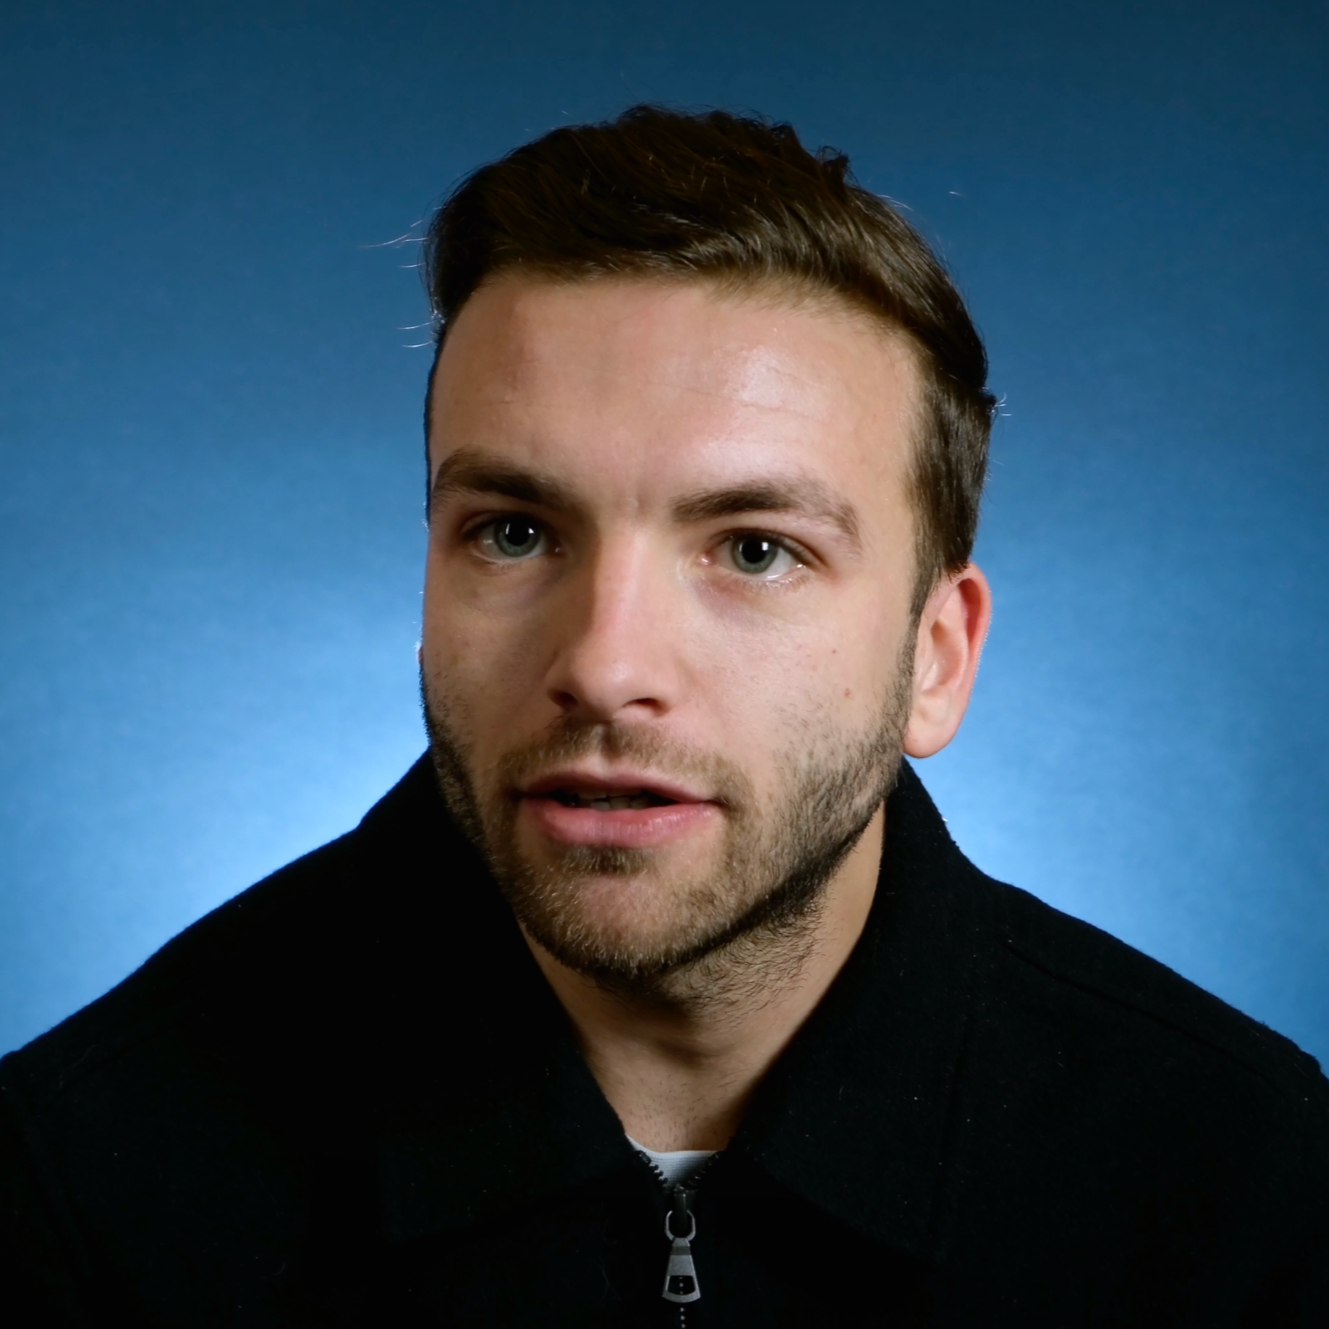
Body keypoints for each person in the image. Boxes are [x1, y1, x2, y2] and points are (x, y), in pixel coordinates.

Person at [2, 105, 1326, 1327]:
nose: (603, 662)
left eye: (754, 550)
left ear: (936, 659)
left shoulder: (1247, 1188)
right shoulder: (83, 1183)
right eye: (515, 533)